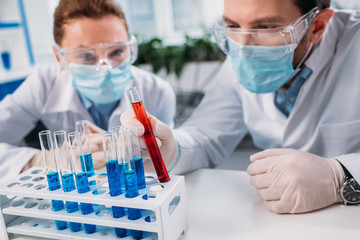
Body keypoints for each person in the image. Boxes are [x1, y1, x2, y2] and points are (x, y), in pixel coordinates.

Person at [121, 0, 360, 214]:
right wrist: (171, 149)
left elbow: (341, 176)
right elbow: (206, 135)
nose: (243, 47)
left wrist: (340, 175)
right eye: (233, 26)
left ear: (317, 26)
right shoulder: (241, 56)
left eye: (265, 27)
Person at [0, 0, 176, 182]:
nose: (105, 67)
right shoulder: (43, 84)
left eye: (116, 52)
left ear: (130, 48)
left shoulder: (157, 92)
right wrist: (41, 161)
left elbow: (165, 162)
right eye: (86, 55)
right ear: (60, 58)